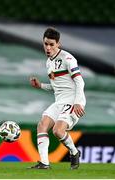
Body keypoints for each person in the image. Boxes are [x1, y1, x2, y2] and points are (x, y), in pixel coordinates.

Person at [29, 27, 86, 170]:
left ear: (58, 44)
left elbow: (80, 81)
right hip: (59, 101)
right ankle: (44, 163)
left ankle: (74, 152)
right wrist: (40, 85)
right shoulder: (49, 63)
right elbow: (57, 87)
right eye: (45, 44)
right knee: (42, 125)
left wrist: (78, 102)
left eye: (51, 44)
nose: (48, 48)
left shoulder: (68, 58)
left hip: (73, 100)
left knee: (57, 130)